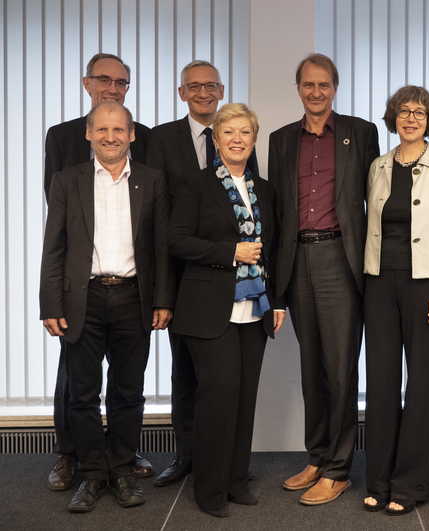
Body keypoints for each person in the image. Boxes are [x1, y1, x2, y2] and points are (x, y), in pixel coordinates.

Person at [39, 102, 175, 513]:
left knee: (128, 393)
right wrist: (49, 304)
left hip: (135, 298)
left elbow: (162, 248)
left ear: (132, 134)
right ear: (89, 133)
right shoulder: (68, 180)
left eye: (119, 129)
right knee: (82, 394)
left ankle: (121, 469)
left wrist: (163, 299)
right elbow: (54, 247)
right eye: (102, 129)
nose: (110, 136)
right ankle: (93, 475)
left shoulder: (152, 180)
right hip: (85, 298)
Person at [269, 53, 379, 505]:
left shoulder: (361, 133)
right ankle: (317, 456)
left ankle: (339, 468)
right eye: (308, 85)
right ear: (298, 88)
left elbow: (377, 199)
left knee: (339, 368)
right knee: (311, 367)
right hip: (297, 261)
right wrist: (275, 287)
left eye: (324, 85)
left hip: (340, 257)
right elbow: (277, 213)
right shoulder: (279, 140)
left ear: (335, 87)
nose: (316, 92)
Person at [168, 103, 285, 518]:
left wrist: (277, 301)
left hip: (255, 309)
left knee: (244, 398)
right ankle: (209, 490)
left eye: (245, 133)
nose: (237, 140)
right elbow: (177, 240)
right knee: (218, 396)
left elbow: (272, 250)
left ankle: (236, 481)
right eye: (229, 133)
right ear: (216, 140)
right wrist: (229, 252)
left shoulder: (265, 190)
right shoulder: (195, 185)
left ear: (254, 141)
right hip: (207, 308)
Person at [146, 60, 259, 488]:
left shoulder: (238, 137)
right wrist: (161, 290)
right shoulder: (161, 139)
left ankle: (222, 462)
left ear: (221, 88)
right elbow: (157, 219)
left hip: (234, 286)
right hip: (180, 277)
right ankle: (187, 454)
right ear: (182, 93)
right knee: (185, 373)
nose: (204, 92)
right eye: (194, 86)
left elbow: (253, 216)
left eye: (211, 85)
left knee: (223, 382)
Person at [362, 86, 429, 516]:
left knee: (421, 385)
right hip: (379, 284)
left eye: (419, 112)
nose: (410, 118)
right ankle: (379, 481)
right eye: (403, 111)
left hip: (427, 284)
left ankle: (410, 484)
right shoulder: (378, 166)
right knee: (382, 384)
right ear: (393, 117)